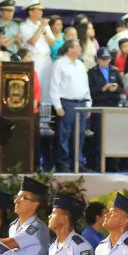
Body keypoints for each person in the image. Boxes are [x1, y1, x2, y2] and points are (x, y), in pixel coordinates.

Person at [48, 38, 92, 172]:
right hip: (66, 103)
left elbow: (86, 86)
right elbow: (54, 86)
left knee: (80, 135)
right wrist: (57, 106)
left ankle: (77, 163)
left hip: (81, 103)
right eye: (77, 46)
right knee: (65, 135)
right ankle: (64, 163)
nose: (79, 49)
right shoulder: (59, 64)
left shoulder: (80, 64)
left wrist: (89, 104)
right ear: (70, 49)